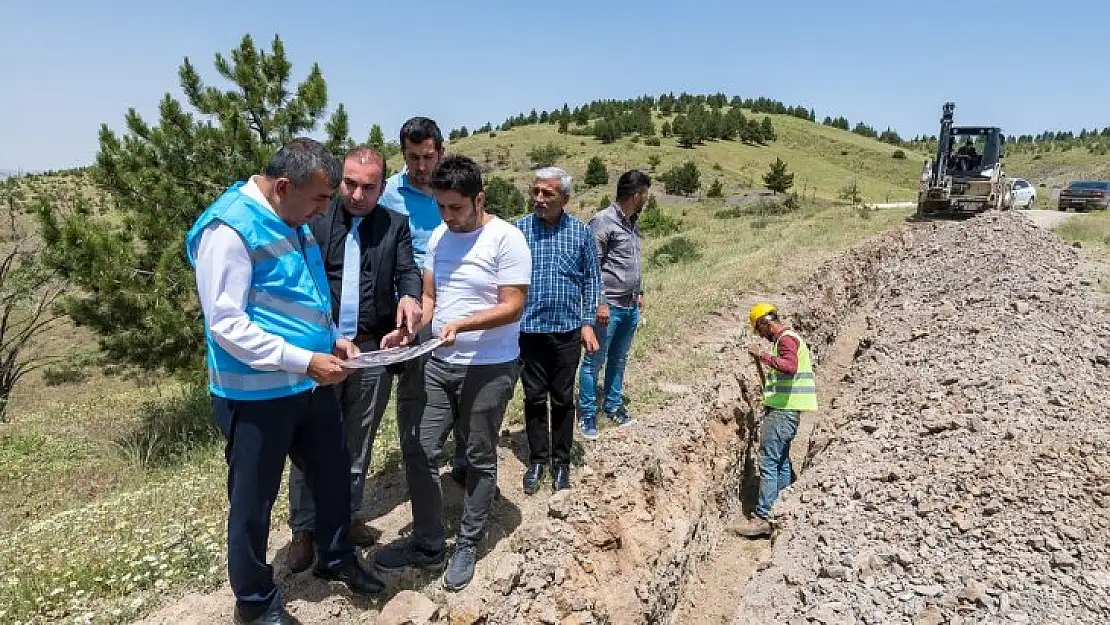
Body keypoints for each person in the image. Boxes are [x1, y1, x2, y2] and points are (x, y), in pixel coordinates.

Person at [185, 138, 383, 625]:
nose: (325, 208)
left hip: (307, 385)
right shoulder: (228, 229)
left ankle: (335, 558)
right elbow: (226, 325)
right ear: (282, 186)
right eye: (319, 198)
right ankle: (254, 604)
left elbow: (303, 293)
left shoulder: (293, 218)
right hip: (255, 395)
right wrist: (302, 360)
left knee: (333, 476)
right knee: (253, 504)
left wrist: (332, 339)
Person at [374, 155, 530, 592]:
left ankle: (467, 541)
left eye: (456, 208)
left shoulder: (506, 239)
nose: (447, 216)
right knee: (420, 448)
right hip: (439, 362)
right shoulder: (441, 236)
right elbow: (429, 295)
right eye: (441, 207)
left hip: (489, 366)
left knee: (478, 454)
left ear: (479, 199)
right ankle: (427, 542)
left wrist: (463, 324)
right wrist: (410, 328)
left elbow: (513, 305)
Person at [285, 146, 423, 573]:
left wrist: (410, 297)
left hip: (371, 351)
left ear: (384, 186)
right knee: (310, 445)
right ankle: (305, 530)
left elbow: (408, 271)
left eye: (368, 186)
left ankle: (346, 516)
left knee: (357, 441)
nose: (358, 194)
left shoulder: (394, 226)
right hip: (321, 351)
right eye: (350, 184)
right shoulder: (315, 218)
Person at [379, 116, 468, 483]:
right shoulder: (388, 195)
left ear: (440, 152)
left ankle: (467, 461)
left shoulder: (454, 189)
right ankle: (416, 458)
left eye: (427, 157)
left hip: (459, 303)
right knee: (415, 388)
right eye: (412, 157)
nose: (420, 166)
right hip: (413, 305)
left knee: (465, 384)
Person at [515, 167, 601, 494]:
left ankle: (561, 463)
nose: (539, 199)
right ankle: (537, 459)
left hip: (567, 331)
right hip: (528, 330)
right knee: (534, 397)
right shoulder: (518, 230)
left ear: (564, 198)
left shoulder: (580, 232)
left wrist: (588, 322)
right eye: (535, 191)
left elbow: (592, 279)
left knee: (563, 398)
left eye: (547, 193)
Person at [728, 302, 818, 539]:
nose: (761, 336)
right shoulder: (788, 338)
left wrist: (763, 356)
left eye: (759, 330)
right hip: (787, 410)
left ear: (764, 323)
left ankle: (763, 516)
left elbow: (790, 367)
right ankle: (782, 510)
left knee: (768, 461)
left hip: (782, 411)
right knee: (781, 460)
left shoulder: (785, 340)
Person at [577, 170, 651, 439]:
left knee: (619, 359)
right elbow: (591, 266)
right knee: (593, 361)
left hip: (630, 305)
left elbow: (631, 262)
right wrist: (600, 303)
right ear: (636, 195)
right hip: (609, 308)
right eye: (645, 194)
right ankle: (587, 414)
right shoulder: (602, 222)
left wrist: (639, 291)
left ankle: (613, 406)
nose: (647, 199)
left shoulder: (632, 223)